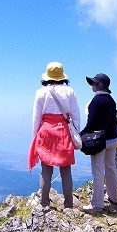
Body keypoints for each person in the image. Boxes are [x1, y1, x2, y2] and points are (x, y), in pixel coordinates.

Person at [29, 61, 81, 209]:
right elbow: (76, 115)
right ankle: (68, 205)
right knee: (66, 171)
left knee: (46, 171)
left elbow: (36, 117)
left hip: (46, 132)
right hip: (63, 132)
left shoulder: (40, 92)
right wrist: (75, 132)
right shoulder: (70, 92)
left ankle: (44, 204)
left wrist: (35, 136)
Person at [81, 73, 117, 212]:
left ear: (97, 85)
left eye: (93, 83)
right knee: (111, 167)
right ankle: (114, 198)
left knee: (98, 171)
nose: (92, 85)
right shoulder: (111, 100)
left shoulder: (96, 101)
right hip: (113, 138)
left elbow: (91, 123)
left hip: (100, 141)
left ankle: (97, 204)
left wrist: (81, 134)